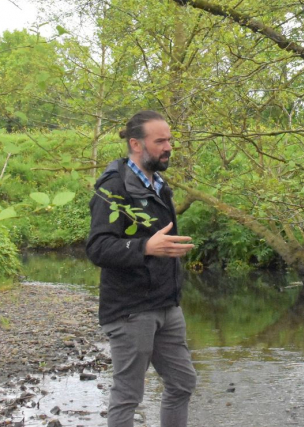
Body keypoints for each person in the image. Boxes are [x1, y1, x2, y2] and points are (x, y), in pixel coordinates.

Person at [86, 110, 197, 427]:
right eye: (160, 140)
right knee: (128, 396)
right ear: (136, 143)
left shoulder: (160, 183)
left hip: (166, 304)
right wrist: (144, 247)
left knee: (182, 383)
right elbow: (97, 247)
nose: (168, 147)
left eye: (170, 139)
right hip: (130, 309)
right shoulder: (113, 188)